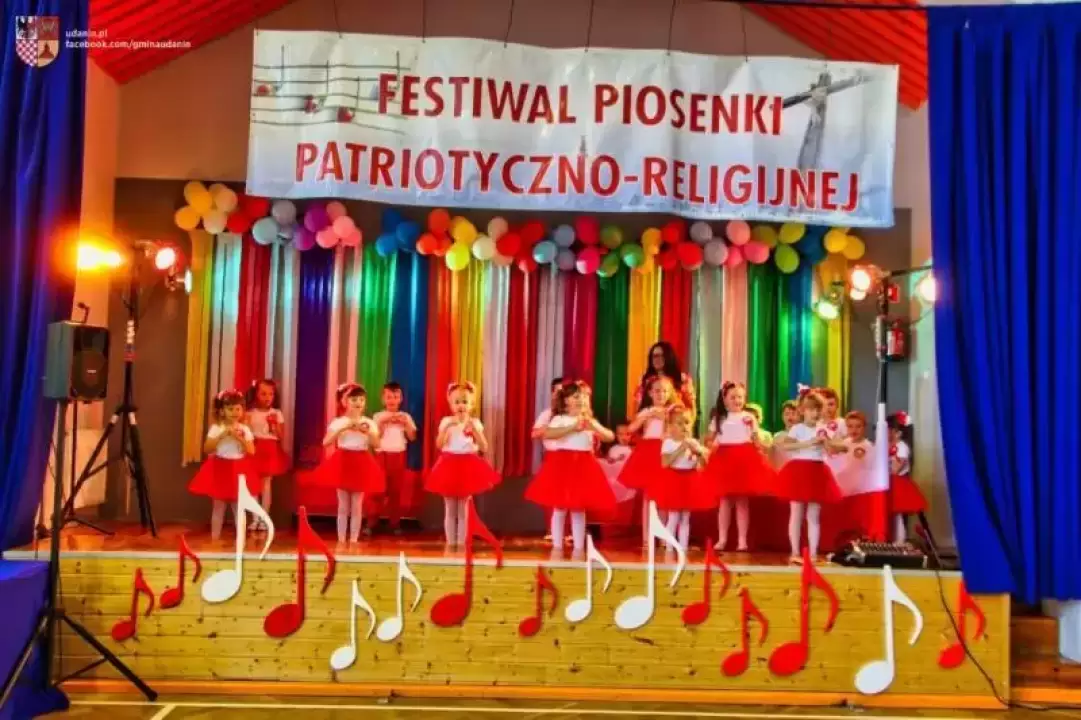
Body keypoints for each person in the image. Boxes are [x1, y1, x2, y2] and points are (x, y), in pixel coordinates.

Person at [525, 382, 617, 555]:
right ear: (566, 400)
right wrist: (572, 428)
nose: (580, 400)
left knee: (579, 509)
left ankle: (579, 548)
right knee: (560, 508)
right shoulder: (560, 419)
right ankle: (557, 546)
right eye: (576, 397)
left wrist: (593, 426)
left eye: (583, 396)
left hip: (584, 465)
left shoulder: (588, 421)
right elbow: (549, 433)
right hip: (562, 465)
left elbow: (609, 436)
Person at [703, 382, 777, 552]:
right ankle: (722, 539)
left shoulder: (749, 417)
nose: (737, 400)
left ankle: (742, 540)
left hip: (744, 459)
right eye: (733, 397)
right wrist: (708, 446)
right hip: (724, 460)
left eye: (740, 397)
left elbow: (757, 440)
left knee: (742, 502)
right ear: (725, 399)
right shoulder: (719, 419)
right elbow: (709, 439)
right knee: (724, 502)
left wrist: (757, 438)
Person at [425, 382, 501, 547]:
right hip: (448, 465)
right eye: (457, 402)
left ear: (471, 405)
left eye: (465, 402)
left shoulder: (475, 423)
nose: (461, 406)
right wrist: (446, 429)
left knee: (463, 508)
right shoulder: (446, 422)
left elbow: (484, 447)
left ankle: (461, 543)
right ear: (451, 405)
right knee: (450, 508)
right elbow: (439, 444)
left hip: (467, 465)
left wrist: (476, 431)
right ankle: (450, 543)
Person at [775, 391, 845, 563]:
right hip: (798, 471)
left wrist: (827, 442)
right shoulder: (797, 429)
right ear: (802, 410)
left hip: (817, 471)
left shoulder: (824, 429)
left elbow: (835, 449)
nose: (815, 413)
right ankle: (795, 551)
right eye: (811, 409)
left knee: (813, 515)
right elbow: (786, 446)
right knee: (796, 513)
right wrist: (809, 442)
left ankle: (813, 553)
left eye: (818, 409)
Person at [311, 383, 384, 546]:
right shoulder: (339, 422)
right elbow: (326, 442)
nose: (358, 403)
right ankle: (341, 539)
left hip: (361, 461)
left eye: (361, 400)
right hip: (343, 461)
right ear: (345, 402)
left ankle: (353, 539)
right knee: (343, 505)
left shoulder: (368, 423)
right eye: (354, 399)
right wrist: (342, 429)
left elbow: (377, 444)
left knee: (357, 504)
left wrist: (367, 432)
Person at [189, 390, 258, 541]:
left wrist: (239, 438)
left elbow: (251, 451)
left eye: (238, 408)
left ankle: (241, 541)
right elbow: (207, 448)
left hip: (239, 469)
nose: (235, 412)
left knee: (238, 507)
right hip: (220, 468)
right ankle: (215, 540)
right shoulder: (217, 428)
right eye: (230, 409)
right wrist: (222, 435)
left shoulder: (245, 429)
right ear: (222, 411)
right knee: (218, 506)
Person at [653, 405, 713, 551]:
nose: (684, 426)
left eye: (686, 422)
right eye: (679, 423)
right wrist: (682, 448)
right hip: (674, 480)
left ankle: (683, 548)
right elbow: (665, 463)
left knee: (685, 517)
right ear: (671, 426)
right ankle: (669, 547)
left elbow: (702, 465)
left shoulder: (694, 442)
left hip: (689, 480)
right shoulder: (668, 442)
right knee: (673, 516)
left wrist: (699, 453)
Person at [372, 382, 418, 536]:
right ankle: (372, 522)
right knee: (378, 490)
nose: (392, 400)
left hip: (398, 455)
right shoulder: (378, 416)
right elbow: (375, 438)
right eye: (389, 397)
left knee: (396, 491)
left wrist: (406, 424)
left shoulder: (405, 416)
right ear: (383, 399)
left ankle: (395, 523)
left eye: (395, 397)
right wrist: (383, 423)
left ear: (401, 399)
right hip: (381, 455)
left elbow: (412, 437)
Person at [244, 379, 289, 530]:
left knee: (266, 485)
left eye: (271, 394)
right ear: (256, 394)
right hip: (254, 448)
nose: (267, 397)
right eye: (263, 394)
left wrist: (274, 424)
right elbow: (246, 433)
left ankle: (264, 519)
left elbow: (281, 436)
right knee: (253, 485)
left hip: (270, 449)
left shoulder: (277, 413)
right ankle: (255, 518)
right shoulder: (250, 413)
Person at [887, 411, 926, 544]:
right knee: (890, 514)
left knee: (897, 514)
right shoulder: (888, 445)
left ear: (897, 432)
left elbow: (896, 469)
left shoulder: (901, 447)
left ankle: (899, 541)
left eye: (888, 429)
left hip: (898, 483)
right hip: (889, 482)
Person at [633, 341, 696, 417]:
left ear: (669, 357)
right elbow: (637, 410)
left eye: (661, 356)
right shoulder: (644, 380)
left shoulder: (683, 379)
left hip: (676, 421)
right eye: (654, 356)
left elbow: (691, 410)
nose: (657, 359)